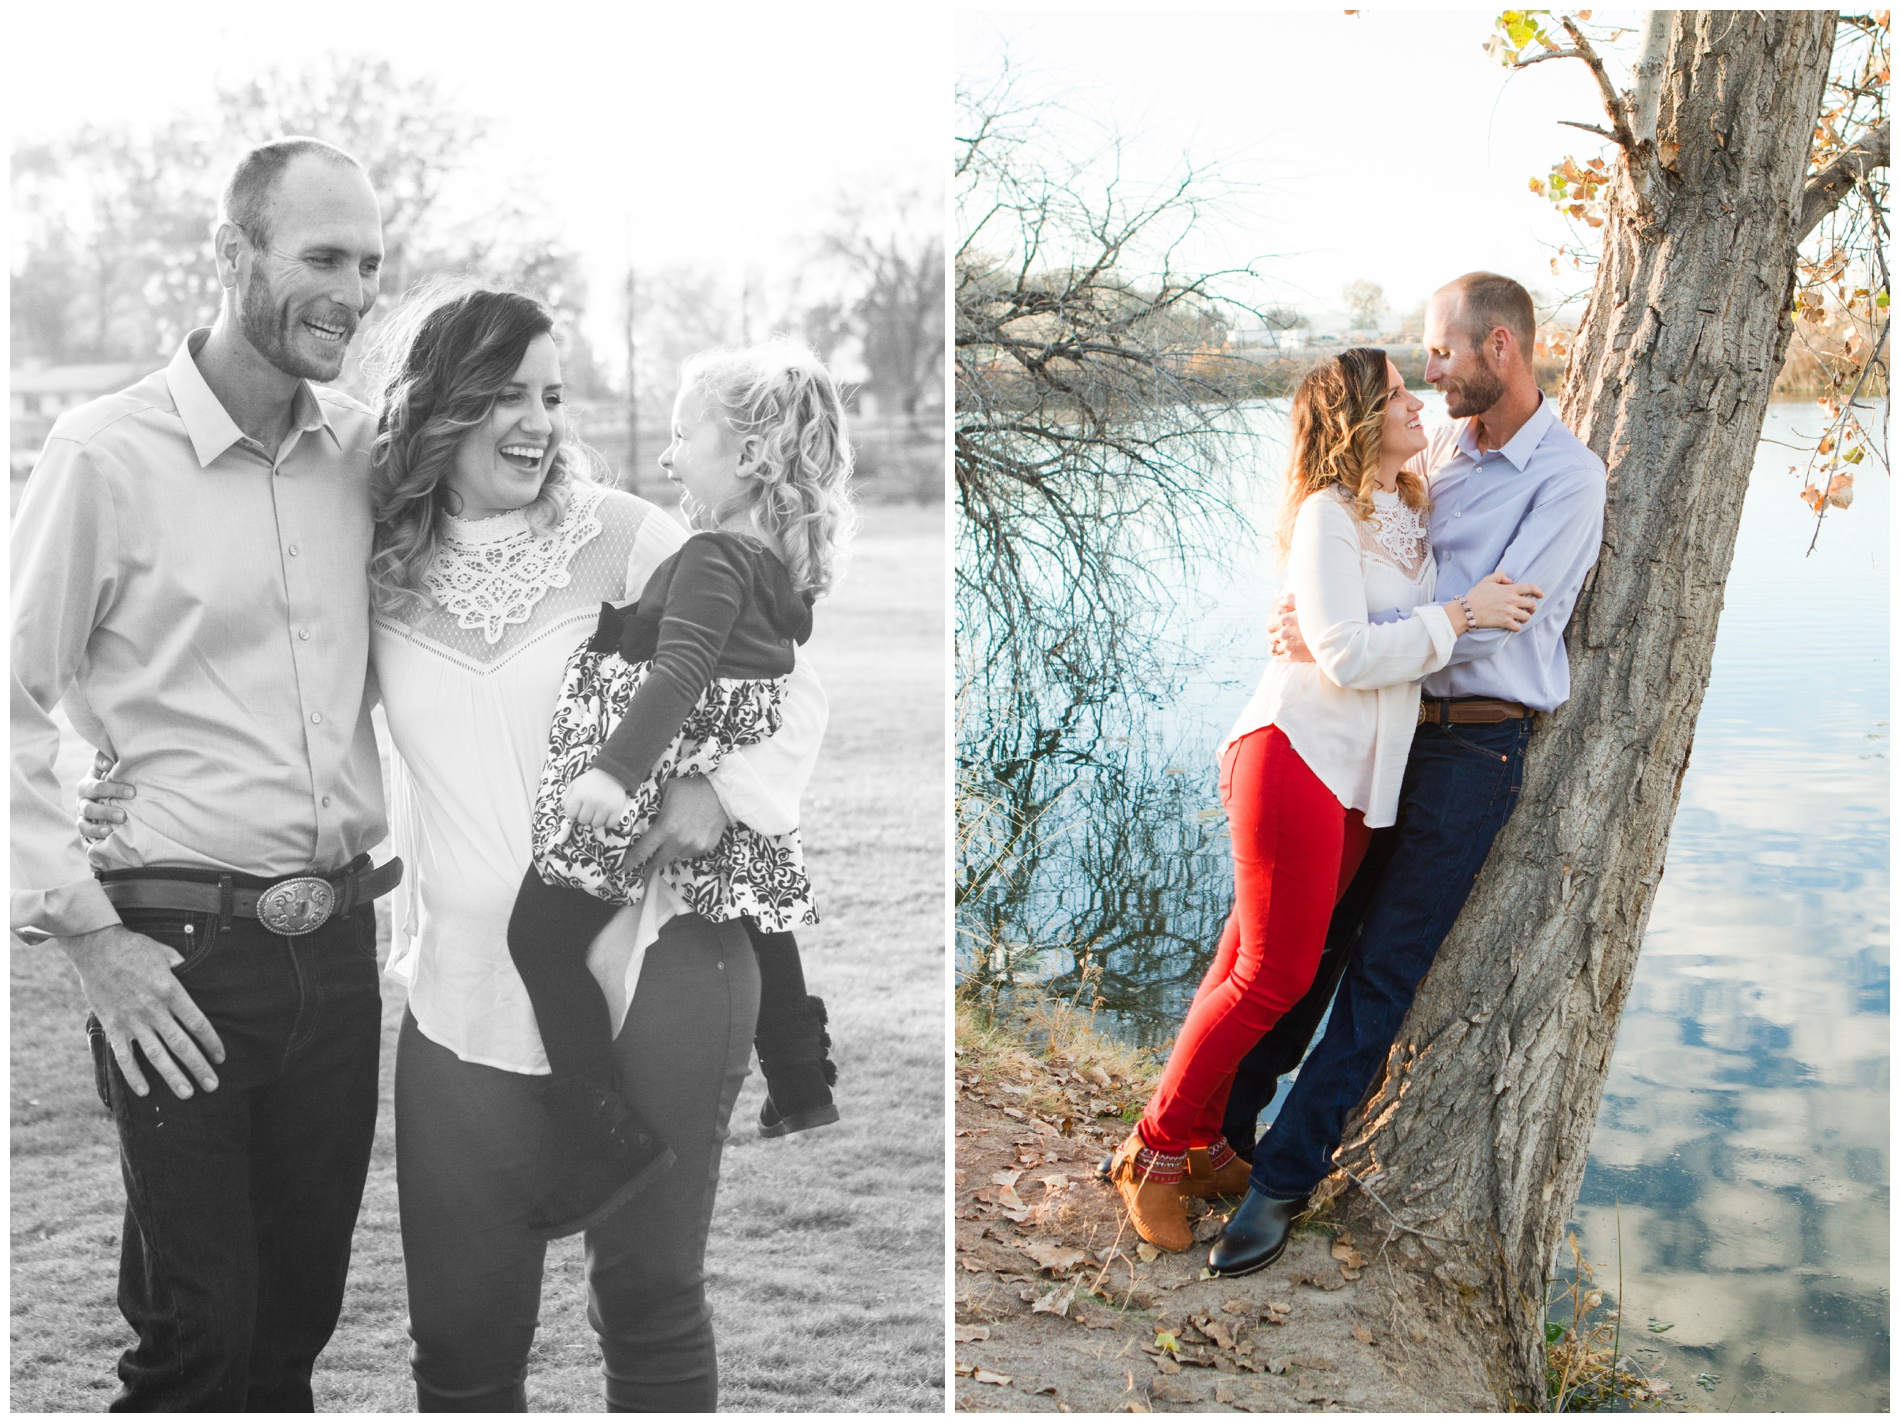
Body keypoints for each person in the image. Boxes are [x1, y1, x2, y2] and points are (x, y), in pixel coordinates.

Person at [10, 137, 395, 1411]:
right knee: (197, 1341)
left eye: (370, 264)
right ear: (230, 254)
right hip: (176, 957)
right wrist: (92, 942)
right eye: (322, 256)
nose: (352, 290)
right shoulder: (103, 455)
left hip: (338, 955)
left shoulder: (365, 461)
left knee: (293, 1330)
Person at [1206, 272, 1608, 1278]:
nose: (1426, 376)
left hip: (1472, 746)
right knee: (1303, 955)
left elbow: (1493, 625)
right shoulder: (1436, 454)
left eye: (1440, 354)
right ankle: (1211, 1135)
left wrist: (1356, 640)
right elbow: (1361, 563)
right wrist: (1311, 625)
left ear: (1499, 350)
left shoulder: (1565, 479)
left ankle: (1278, 1181)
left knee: (1381, 972)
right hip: (1372, 729)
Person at [1105, 348, 1544, 1253]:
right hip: (1293, 754)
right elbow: (1344, 654)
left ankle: (1199, 1139)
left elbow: (1520, 419)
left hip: (1360, 777)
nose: (1417, 401)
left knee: (1243, 967)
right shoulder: (1326, 513)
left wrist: (1365, 627)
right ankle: (1152, 1152)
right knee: (1274, 975)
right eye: (1394, 394)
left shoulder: (1409, 503)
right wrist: (1460, 617)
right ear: (1354, 419)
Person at [505, 340, 853, 1239]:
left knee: (539, 934)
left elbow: (684, 669)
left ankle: (599, 1132)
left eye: (680, 435)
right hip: (704, 762)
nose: (666, 457)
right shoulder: (780, 569)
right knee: (745, 888)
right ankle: (801, 1071)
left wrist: (613, 774)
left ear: (747, 457)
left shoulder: (710, 556)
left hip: (644, 765)